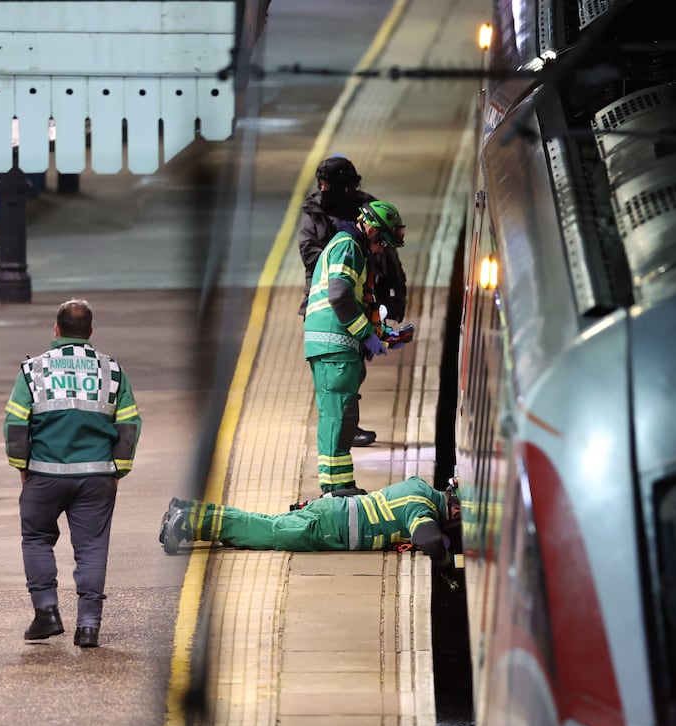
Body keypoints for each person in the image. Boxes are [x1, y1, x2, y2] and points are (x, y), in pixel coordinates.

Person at [4, 298, 142, 649]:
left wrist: (23, 467)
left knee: (36, 539)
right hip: (97, 476)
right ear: (90, 332)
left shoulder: (33, 370)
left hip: (44, 474)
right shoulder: (112, 371)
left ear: (57, 330)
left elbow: (16, 424)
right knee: (92, 547)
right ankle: (88, 626)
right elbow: (129, 425)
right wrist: (117, 470)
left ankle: (47, 613)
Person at [304, 199, 414, 497]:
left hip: (336, 345)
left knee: (344, 417)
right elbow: (339, 296)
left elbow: (354, 299)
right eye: (383, 243)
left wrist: (385, 334)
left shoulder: (353, 248)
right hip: (333, 344)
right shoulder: (348, 247)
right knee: (337, 417)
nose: (383, 250)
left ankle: (340, 485)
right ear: (373, 230)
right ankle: (333, 488)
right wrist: (366, 334)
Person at [298, 155, 409, 447]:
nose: (323, 190)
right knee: (342, 387)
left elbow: (385, 266)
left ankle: (345, 447)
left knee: (352, 375)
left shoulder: (366, 216)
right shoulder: (344, 242)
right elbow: (336, 289)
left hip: (354, 309)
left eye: (327, 184)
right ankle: (343, 448)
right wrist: (366, 333)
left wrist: (386, 323)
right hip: (334, 320)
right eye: (320, 184)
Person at [158, 476, 461, 566]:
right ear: (456, 508)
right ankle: (188, 523)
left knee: (264, 522)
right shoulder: (422, 508)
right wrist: (446, 559)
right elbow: (428, 540)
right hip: (329, 529)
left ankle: (191, 511)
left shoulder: (418, 486)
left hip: (332, 512)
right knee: (267, 534)